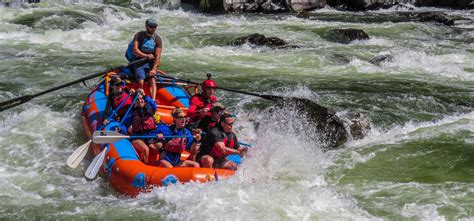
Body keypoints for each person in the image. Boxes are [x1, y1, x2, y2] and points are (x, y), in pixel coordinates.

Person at [131, 18, 163, 101]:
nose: (153, 28)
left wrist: (154, 69)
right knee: (141, 80)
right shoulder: (139, 35)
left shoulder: (158, 39)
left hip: (150, 63)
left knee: (152, 79)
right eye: (151, 26)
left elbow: (158, 56)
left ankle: (152, 102)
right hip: (139, 61)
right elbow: (135, 50)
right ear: (146, 26)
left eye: (155, 26)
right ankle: (140, 99)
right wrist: (146, 56)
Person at [129, 89, 157, 164]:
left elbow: (154, 105)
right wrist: (119, 129)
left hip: (148, 136)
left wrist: (145, 96)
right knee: (146, 149)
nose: (140, 101)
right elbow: (125, 124)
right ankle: (143, 165)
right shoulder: (132, 112)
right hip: (137, 137)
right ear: (135, 102)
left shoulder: (149, 109)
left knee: (158, 147)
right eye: (138, 100)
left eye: (141, 99)